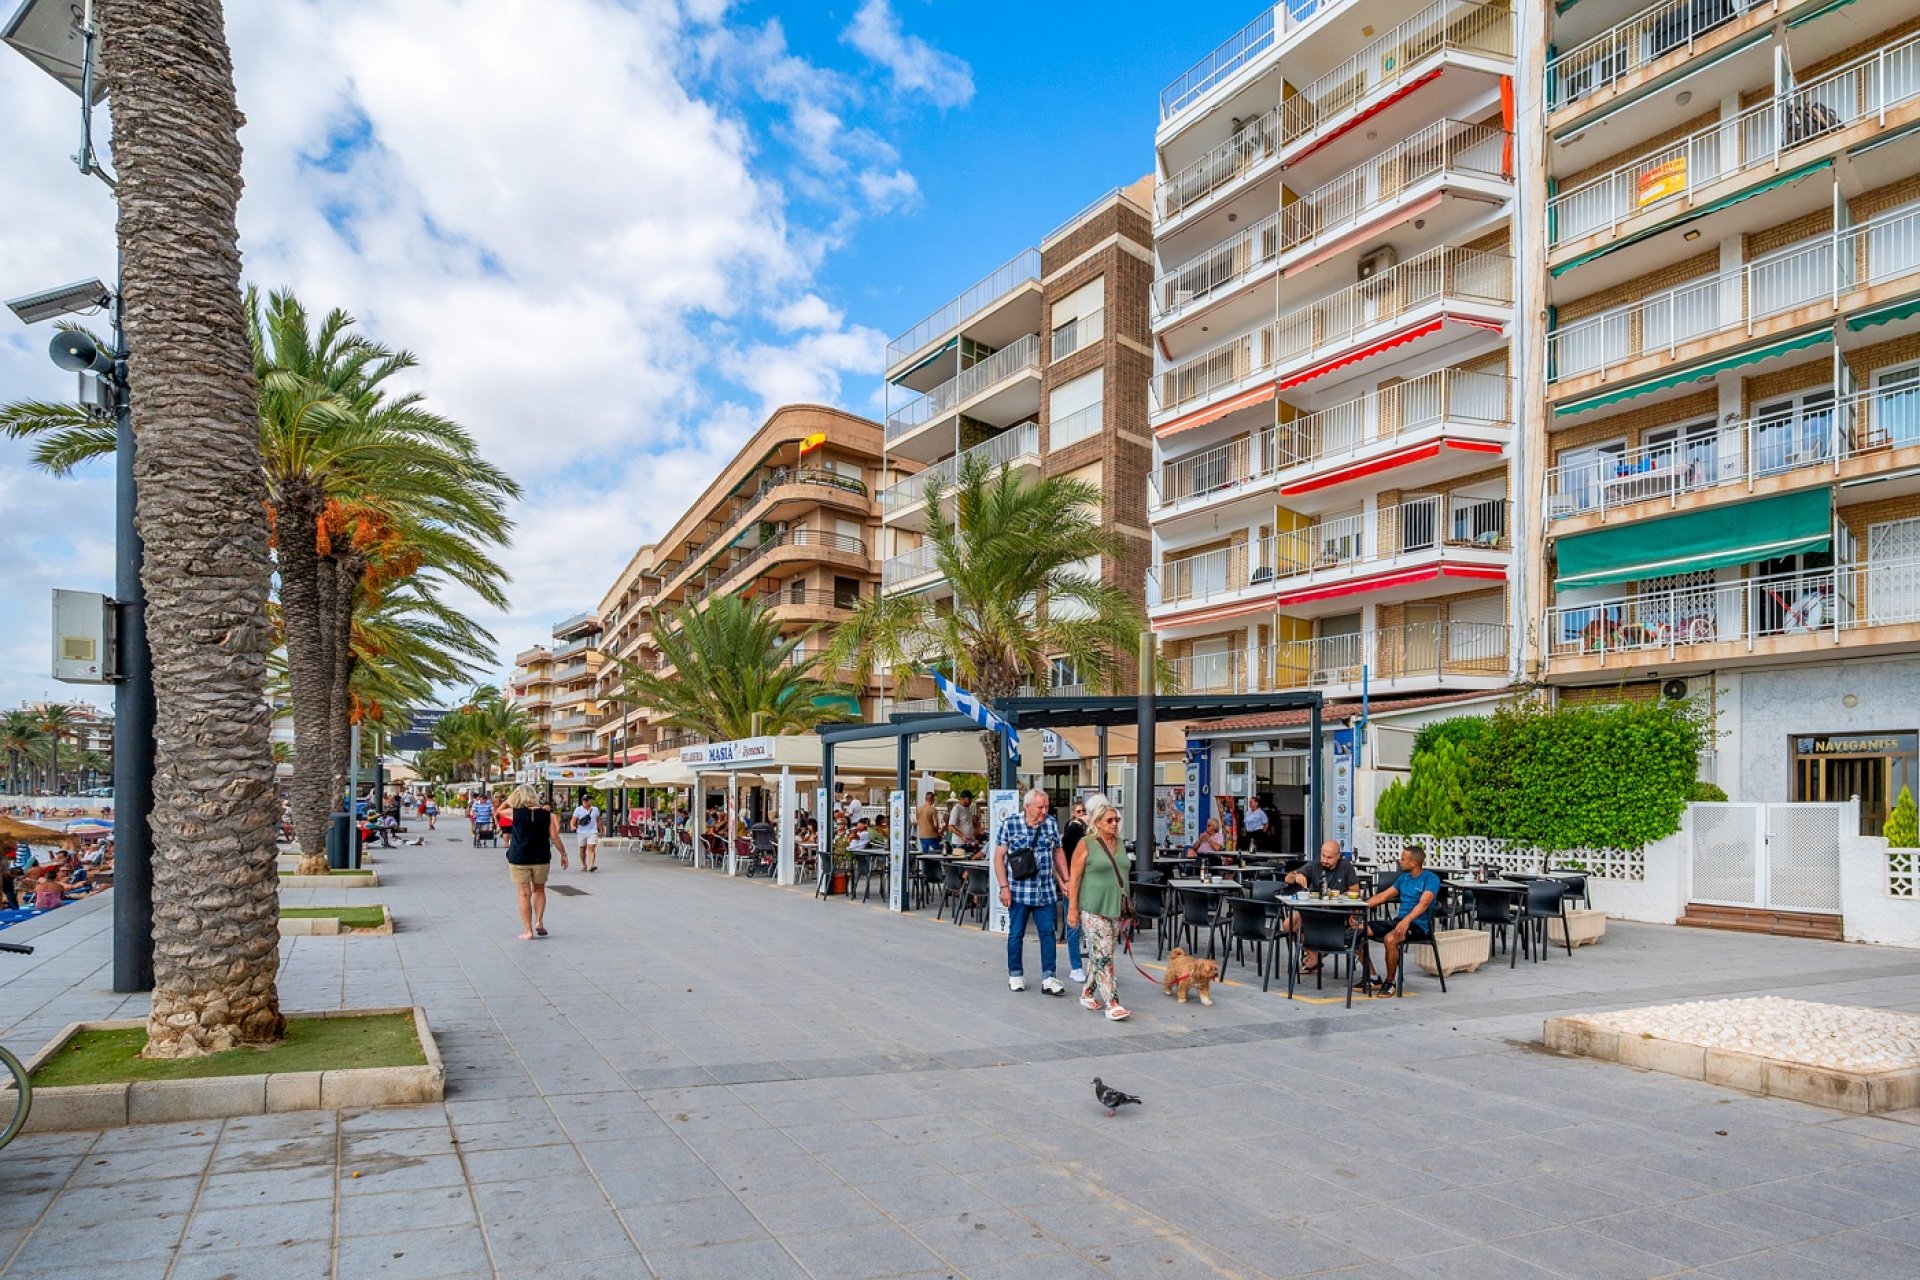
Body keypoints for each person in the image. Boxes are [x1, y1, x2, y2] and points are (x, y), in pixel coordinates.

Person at [994, 788, 1069, 996]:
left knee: (1048, 934)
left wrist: (1066, 879)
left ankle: (1049, 976)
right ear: (1027, 806)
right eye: (1040, 807)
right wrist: (1004, 888)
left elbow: (1057, 852)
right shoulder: (1010, 824)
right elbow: (999, 857)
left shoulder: (1051, 824)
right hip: (1018, 891)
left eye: (1046, 806)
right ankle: (1015, 973)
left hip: (1045, 891)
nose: (1044, 811)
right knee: (1016, 933)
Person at [1067, 794, 1133, 1021]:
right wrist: (1072, 910)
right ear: (1096, 823)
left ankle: (1087, 992)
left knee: (1102, 953)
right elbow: (1074, 878)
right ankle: (1112, 1002)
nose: (1114, 824)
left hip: (1115, 906)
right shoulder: (1086, 844)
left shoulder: (1120, 844)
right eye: (1109, 821)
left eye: (1116, 820)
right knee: (1104, 953)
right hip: (1093, 907)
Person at [1358, 845, 1440, 994]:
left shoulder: (1430, 879)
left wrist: (1406, 921)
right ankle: (1372, 977)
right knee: (1357, 930)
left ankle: (1390, 982)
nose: (1399, 861)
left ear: (1414, 862)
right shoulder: (1403, 878)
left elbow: (1424, 903)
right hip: (1400, 921)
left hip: (1419, 926)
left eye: (1403, 859)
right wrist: (1358, 908)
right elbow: (1383, 896)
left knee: (1390, 939)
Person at [500, 784, 568, 940]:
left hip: (519, 857)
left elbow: (498, 811)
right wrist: (563, 854)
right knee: (539, 890)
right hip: (541, 857)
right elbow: (554, 837)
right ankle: (539, 921)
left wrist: (511, 798)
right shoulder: (547, 815)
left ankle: (528, 931)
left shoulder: (513, 812)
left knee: (524, 894)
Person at [1284, 840, 1360, 973]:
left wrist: (1338, 896)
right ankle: (1314, 956)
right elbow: (1287, 879)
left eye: (1330, 857)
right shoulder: (1315, 865)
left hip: (1336, 913)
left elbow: (1355, 891)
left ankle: (1316, 956)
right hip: (1313, 911)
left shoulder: (1346, 867)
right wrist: (1297, 875)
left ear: (1338, 856)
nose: (1325, 860)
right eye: (1323, 856)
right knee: (1288, 924)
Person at [1061, 801, 1089, 985]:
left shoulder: (1090, 831)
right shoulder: (1072, 830)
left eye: (1084, 811)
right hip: (1072, 883)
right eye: (1078, 811)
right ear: (1073, 814)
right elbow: (1065, 848)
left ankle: (1098, 967)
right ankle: (1076, 967)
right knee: (1073, 926)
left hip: (1089, 884)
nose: (1082, 814)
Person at [571, 795, 603, 872]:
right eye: (583, 800)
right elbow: (573, 820)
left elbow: (598, 820)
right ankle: (584, 864)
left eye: (586, 800)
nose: (584, 801)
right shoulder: (578, 809)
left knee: (591, 847)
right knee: (582, 848)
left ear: (590, 801)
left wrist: (601, 830)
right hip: (581, 832)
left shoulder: (595, 809)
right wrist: (572, 826)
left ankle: (592, 865)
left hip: (592, 831)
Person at [946, 789, 978, 854]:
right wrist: (962, 836)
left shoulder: (967, 809)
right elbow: (950, 827)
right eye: (969, 799)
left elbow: (967, 824)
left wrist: (973, 839)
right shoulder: (957, 809)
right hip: (959, 843)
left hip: (968, 842)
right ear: (962, 799)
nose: (970, 801)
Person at [915, 792, 944, 857]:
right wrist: (938, 832)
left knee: (925, 855)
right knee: (938, 852)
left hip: (922, 835)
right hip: (932, 835)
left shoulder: (919, 809)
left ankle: (926, 867)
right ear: (933, 799)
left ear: (925, 799)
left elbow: (917, 822)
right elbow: (935, 824)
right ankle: (936, 867)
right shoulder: (933, 810)